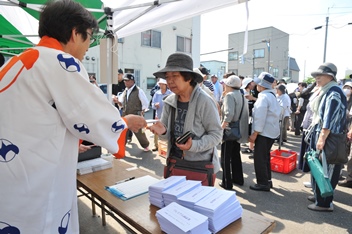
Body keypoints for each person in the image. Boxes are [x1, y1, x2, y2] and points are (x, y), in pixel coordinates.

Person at [0, 0, 146, 233]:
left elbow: (34, 120)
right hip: (36, 185)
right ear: (74, 33)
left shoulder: (15, 63)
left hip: (11, 180)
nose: (89, 46)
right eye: (88, 37)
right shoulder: (60, 62)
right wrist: (125, 122)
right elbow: (92, 116)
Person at [148, 52, 222, 183]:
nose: (169, 81)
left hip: (200, 167)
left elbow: (216, 135)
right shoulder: (169, 101)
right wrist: (163, 131)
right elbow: (165, 136)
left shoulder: (205, 101)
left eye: (175, 76)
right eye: (167, 77)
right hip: (175, 163)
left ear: (188, 78)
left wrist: (193, 145)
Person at [306, 62, 346, 212]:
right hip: (324, 135)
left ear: (330, 76)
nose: (317, 77)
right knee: (319, 167)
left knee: (326, 170)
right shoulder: (327, 90)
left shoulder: (334, 92)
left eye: (320, 75)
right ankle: (319, 195)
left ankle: (324, 203)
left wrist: (322, 137)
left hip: (330, 137)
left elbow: (329, 118)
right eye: (316, 75)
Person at [249, 72, 281, 191]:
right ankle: (268, 180)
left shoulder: (263, 97)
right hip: (271, 131)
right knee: (265, 157)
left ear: (262, 86)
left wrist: (255, 133)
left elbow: (260, 117)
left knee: (260, 158)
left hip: (263, 132)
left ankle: (262, 183)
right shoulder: (272, 96)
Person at [219, 75, 249, 190]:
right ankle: (238, 179)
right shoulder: (241, 95)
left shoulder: (229, 96)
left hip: (229, 129)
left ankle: (227, 183)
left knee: (226, 158)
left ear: (228, 85)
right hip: (238, 129)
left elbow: (229, 114)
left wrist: (222, 127)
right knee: (236, 155)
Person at [119, 73, 150, 151]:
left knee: (139, 132)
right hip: (126, 114)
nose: (125, 82)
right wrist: (117, 101)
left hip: (135, 114)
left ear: (132, 81)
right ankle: (121, 146)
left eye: (127, 81)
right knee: (123, 131)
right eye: (124, 81)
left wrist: (142, 112)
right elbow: (121, 101)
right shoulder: (125, 90)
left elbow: (145, 103)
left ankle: (146, 145)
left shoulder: (139, 91)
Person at [151, 78, 172, 151]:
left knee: (166, 130)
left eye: (162, 84)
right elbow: (152, 104)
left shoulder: (170, 94)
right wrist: (155, 105)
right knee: (156, 131)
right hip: (158, 115)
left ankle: (166, 147)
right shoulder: (157, 93)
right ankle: (156, 145)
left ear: (166, 85)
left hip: (167, 116)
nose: (161, 86)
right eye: (160, 84)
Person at [338, 81, 352, 188]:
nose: (347, 89)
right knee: (344, 152)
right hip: (345, 129)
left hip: (349, 129)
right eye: (346, 87)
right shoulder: (343, 99)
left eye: (349, 88)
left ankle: (349, 179)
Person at [241, 77, 257, 155]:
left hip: (251, 115)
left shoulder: (252, 92)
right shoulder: (243, 92)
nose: (254, 84)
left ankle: (251, 147)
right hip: (245, 115)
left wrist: (253, 98)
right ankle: (250, 147)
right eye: (252, 83)